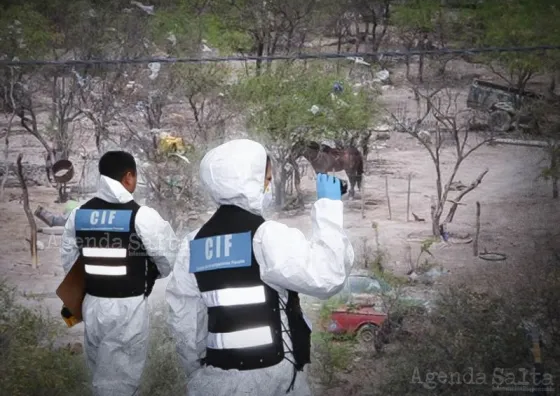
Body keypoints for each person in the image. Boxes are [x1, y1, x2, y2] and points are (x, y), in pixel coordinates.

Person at [166, 139, 354, 396]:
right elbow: (328, 277)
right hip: (272, 379)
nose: (269, 182)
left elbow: (185, 322)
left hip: (214, 382)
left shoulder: (192, 245)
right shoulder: (266, 237)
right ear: (252, 181)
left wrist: (199, 374)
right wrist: (329, 207)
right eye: (267, 176)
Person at [60, 151, 178, 396]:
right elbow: (168, 260)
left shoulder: (78, 215)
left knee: (99, 372)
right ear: (128, 177)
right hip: (128, 307)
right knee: (120, 381)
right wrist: (148, 276)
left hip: (92, 304)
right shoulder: (142, 215)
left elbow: (69, 263)